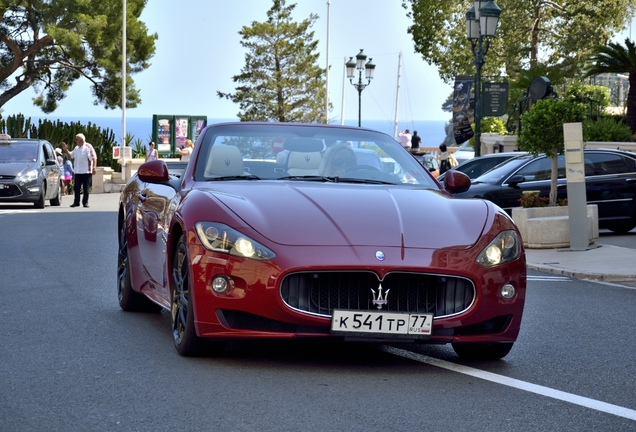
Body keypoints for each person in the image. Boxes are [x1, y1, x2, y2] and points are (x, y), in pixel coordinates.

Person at [61, 134, 94, 208]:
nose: (75, 141)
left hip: (86, 172)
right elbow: (70, 155)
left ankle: (85, 202)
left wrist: (94, 168)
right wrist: (65, 149)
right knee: (76, 188)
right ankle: (76, 202)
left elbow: (93, 157)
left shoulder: (88, 147)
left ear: (81, 140)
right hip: (78, 172)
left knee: (86, 188)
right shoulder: (76, 148)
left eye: (76, 139)